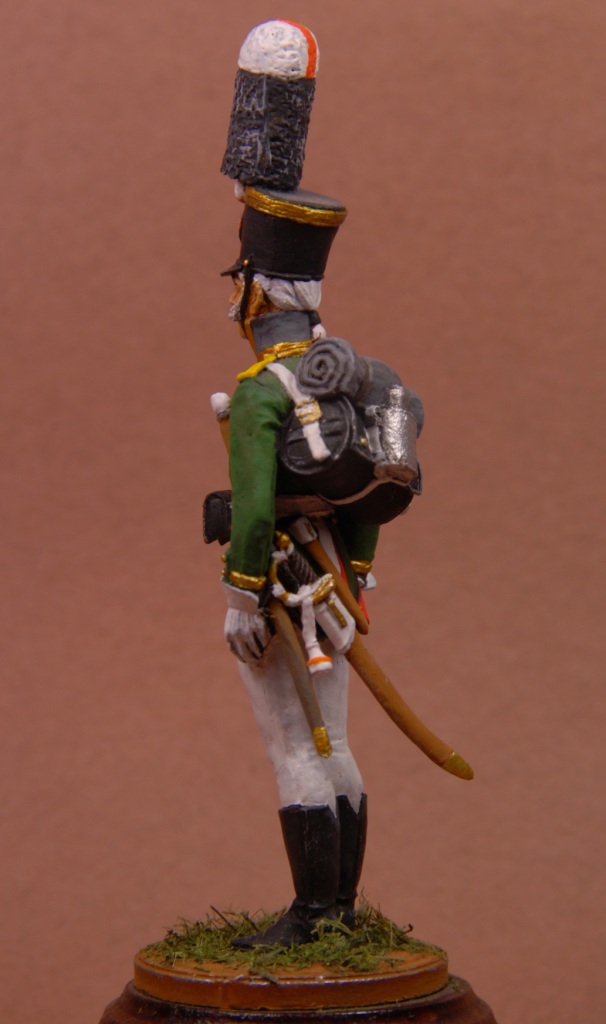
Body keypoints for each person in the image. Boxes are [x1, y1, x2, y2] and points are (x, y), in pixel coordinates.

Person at [211, 185, 421, 947]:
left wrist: (242, 597)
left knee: (297, 747)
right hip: (334, 580)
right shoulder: (356, 380)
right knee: (336, 741)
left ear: (259, 294)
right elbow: (370, 495)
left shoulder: (259, 393)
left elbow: (254, 509)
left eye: (241, 283)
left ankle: (311, 916)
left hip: (280, 583)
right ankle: (342, 910)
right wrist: (356, 574)